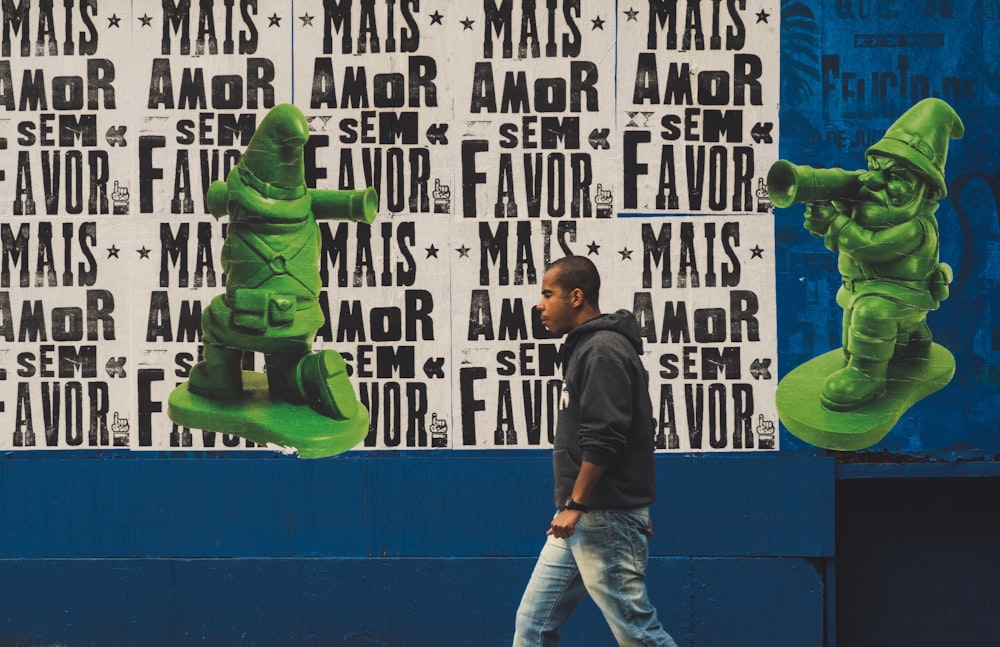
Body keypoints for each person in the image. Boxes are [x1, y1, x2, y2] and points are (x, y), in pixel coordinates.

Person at [513, 256, 678, 647]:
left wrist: (582, 504)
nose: (539, 304)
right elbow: (639, 427)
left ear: (575, 296)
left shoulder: (602, 350)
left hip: (596, 515)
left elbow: (606, 435)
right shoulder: (588, 347)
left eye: (547, 294)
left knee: (638, 634)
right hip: (586, 517)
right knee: (532, 627)